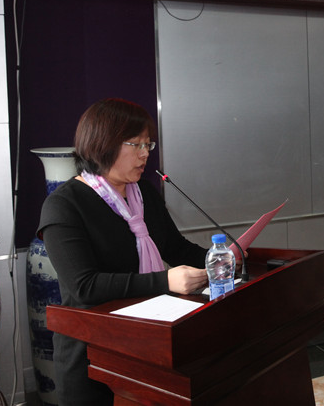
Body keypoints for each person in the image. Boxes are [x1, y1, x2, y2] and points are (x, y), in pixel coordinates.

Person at [38, 98, 208, 405]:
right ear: (103, 144)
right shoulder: (64, 205)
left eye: (148, 144)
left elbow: (175, 247)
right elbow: (84, 286)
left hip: (147, 343)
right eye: (136, 144)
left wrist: (220, 258)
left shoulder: (143, 193)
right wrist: (166, 281)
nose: (145, 154)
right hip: (92, 356)